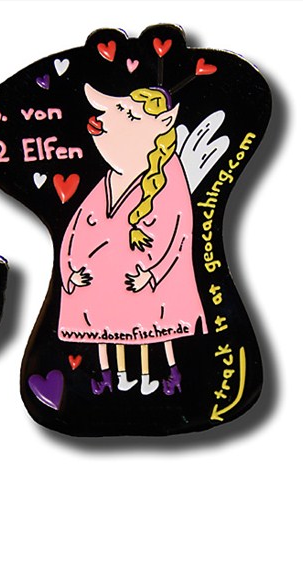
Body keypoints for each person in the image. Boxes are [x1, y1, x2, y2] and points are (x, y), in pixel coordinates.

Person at [58, 86, 207, 395]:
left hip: (143, 280)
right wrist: (70, 269)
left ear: (161, 126)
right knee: (107, 329)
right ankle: (113, 377)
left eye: (128, 115)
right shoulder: (110, 179)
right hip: (99, 282)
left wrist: (153, 274)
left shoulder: (167, 176)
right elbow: (76, 228)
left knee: (148, 326)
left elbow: (178, 235)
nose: (104, 120)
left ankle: (167, 374)